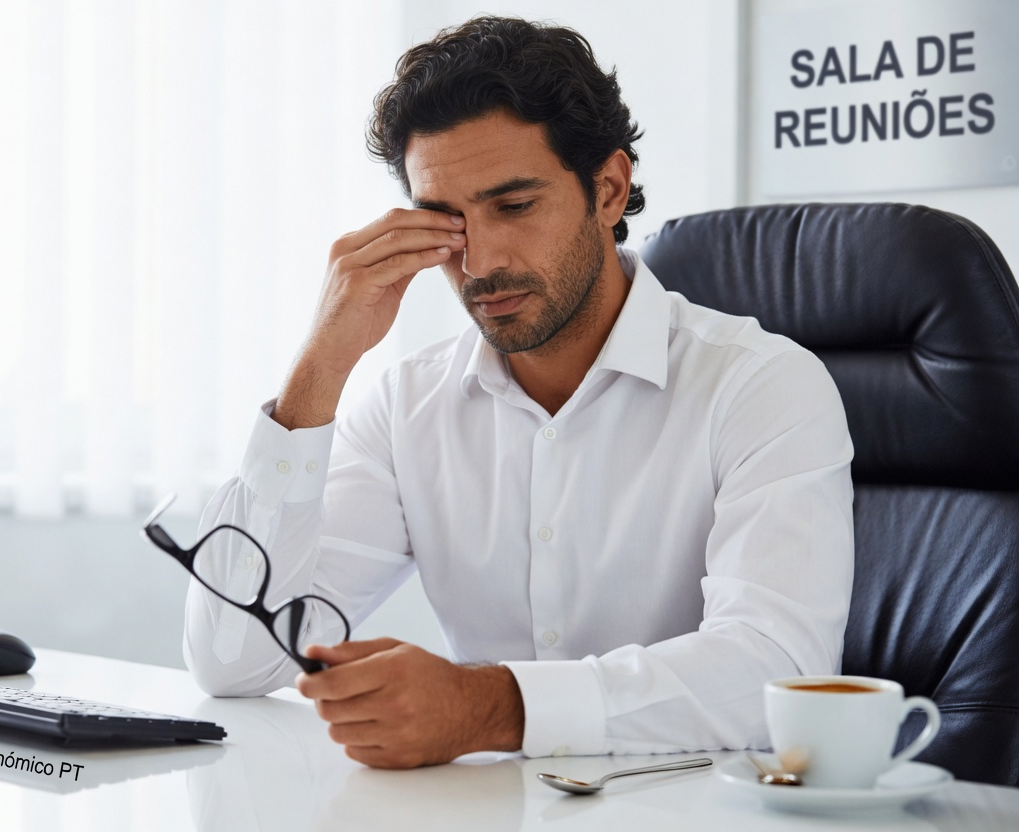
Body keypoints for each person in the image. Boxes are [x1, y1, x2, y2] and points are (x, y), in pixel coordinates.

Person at [183, 16, 854, 769]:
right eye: (447, 220)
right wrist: (320, 367)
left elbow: (777, 671)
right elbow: (234, 660)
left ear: (607, 188)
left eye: (513, 205)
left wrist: (491, 707)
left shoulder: (761, 385)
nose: (481, 262)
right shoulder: (409, 404)